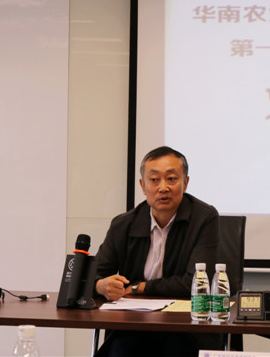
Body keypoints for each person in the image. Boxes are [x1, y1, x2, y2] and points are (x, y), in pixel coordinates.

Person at [94, 146, 221, 356]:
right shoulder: (123, 225)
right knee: (121, 350)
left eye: (171, 179)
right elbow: (91, 276)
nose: (163, 187)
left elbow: (196, 282)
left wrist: (139, 287)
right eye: (154, 180)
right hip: (133, 325)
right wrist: (101, 285)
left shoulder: (204, 218)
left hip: (186, 328)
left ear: (185, 183)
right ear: (143, 186)